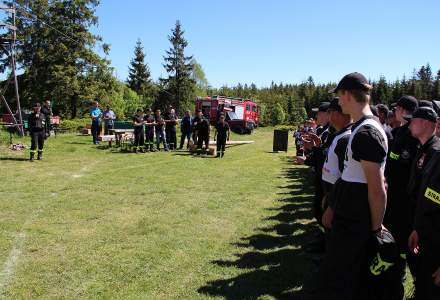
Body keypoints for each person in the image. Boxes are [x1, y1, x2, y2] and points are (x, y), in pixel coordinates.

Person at [307, 72, 388, 300]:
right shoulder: (361, 128)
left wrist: (375, 231)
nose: (338, 102)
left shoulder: (367, 133)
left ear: (347, 95)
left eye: (339, 97)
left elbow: (377, 188)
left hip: (355, 224)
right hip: (348, 219)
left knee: (342, 284)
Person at [383, 95, 419, 293]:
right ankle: (392, 270)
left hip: (404, 199)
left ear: (404, 110)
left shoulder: (413, 137)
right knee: (393, 237)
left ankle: (400, 275)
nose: (394, 111)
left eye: (397, 108)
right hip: (393, 195)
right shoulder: (399, 132)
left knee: (403, 240)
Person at [406, 107, 440, 300]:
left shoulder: (436, 151)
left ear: (427, 123)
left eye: (414, 120)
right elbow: (423, 195)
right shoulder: (426, 150)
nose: (410, 124)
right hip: (423, 228)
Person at [321, 98, 352, 229]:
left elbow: (345, 177)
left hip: (338, 201)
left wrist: (332, 206)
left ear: (338, 113)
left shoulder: (346, 138)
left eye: (330, 112)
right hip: (331, 195)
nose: (329, 116)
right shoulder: (339, 135)